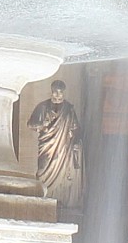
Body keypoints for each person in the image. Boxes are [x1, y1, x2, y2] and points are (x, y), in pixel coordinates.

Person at [28, 80, 85, 210]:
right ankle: (42, 199)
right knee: (43, 169)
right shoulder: (42, 107)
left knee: (62, 173)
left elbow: (76, 128)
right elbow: (31, 124)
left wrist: (76, 141)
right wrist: (42, 125)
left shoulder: (69, 109)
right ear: (52, 91)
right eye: (55, 92)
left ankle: (59, 201)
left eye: (60, 93)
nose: (58, 96)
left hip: (63, 148)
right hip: (47, 146)